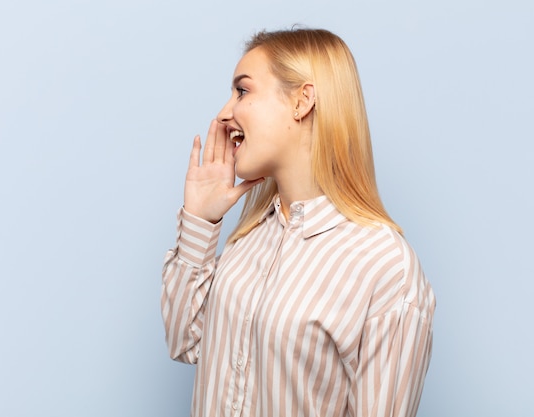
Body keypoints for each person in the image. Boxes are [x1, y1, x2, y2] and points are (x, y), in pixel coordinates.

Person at [162, 28, 435, 417]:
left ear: (302, 100)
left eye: (242, 91)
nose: (224, 114)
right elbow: (183, 341)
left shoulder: (386, 266)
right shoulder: (248, 239)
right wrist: (200, 221)